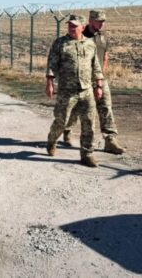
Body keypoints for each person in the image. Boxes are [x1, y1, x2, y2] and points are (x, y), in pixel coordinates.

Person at [45, 14, 104, 167]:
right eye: (70, 25)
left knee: (89, 123)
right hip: (66, 91)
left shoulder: (90, 44)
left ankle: (87, 154)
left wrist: (99, 86)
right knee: (62, 121)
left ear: (82, 27)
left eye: (75, 26)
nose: (71, 28)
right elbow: (52, 64)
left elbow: (96, 66)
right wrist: (50, 83)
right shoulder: (60, 43)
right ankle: (52, 141)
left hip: (86, 90)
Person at [64, 9, 125, 154]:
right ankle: (67, 130)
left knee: (106, 106)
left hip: (99, 79)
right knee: (76, 109)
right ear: (90, 21)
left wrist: (101, 76)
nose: (102, 24)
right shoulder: (81, 34)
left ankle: (110, 139)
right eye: (99, 21)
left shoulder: (103, 36)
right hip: (81, 80)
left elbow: (105, 56)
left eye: (103, 21)